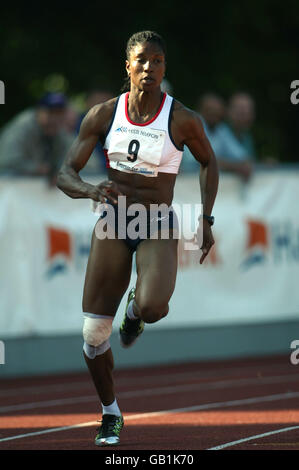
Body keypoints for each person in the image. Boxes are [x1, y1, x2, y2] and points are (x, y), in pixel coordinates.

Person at [56, 30, 219, 447]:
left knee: (153, 306)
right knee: (93, 336)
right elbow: (64, 173)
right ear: (127, 65)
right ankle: (111, 413)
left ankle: (135, 312)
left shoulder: (181, 118)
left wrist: (206, 218)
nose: (150, 68)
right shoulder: (103, 114)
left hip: (158, 221)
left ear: (165, 68)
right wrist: (91, 190)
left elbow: (208, 162)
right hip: (114, 221)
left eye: (158, 61)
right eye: (142, 60)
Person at [0, 92, 73, 185]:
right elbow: (5, 162)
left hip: (33, 190)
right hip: (7, 187)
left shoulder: (60, 131)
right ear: (39, 111)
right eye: (51, 112)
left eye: (59, 113)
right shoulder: (21, 128)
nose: (55, 117)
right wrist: (36, 169)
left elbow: (86, 162)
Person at [215, 92, 256, 182]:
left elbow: (247, 162)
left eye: (248, 110)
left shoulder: (246, 137)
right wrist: (237, 167)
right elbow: (207, 161)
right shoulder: (219, 132)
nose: (245, 113)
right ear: (229, 112)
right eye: (241, 110)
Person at [181, 93, 226, 173]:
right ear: (201, 110)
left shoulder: (220, 128)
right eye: (210, 110)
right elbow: (190, 161)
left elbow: (239, 155)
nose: (214, 114)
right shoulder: (192, 124)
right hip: (185, 179)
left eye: (217, 111)